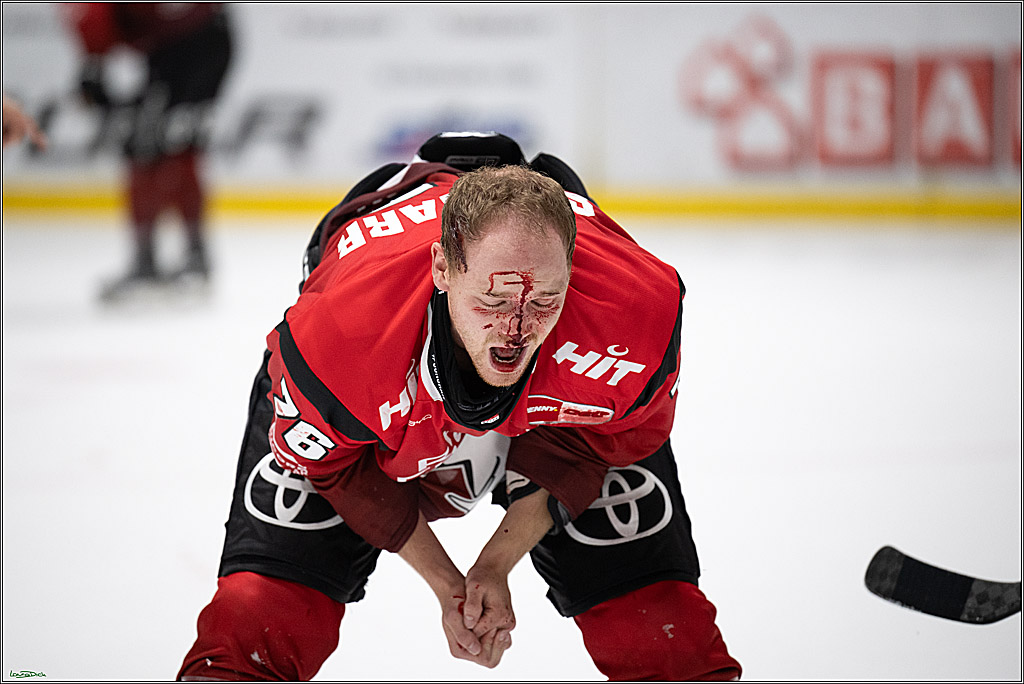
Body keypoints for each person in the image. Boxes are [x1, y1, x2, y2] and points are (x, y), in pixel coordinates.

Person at [177, 132, 742, 681]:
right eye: (492, 302)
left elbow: (604, 442)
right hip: (377, 397)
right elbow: (332, 466)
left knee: (663, 626)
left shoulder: (634, 317)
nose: (515, 330)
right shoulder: (341, 339)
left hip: (552, 398)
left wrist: (493, 563)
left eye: (546, 300)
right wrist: (451, 583)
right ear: (441, 270)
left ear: (573, 273)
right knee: (259, 617)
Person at [61, 3, 233, 302]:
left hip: (187, 47)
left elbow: (97, 33)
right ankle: (190, 256)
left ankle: (155, 261)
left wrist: (95, 70)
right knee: (177, 148)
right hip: (199, 43)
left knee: (151, 151)